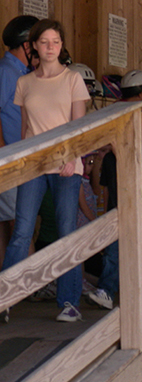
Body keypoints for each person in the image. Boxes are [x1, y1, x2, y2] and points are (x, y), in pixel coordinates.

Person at [1, 19, 90, 322]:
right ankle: (5, 296)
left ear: (61, 46)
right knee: (22, 230)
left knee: (66, 231)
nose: (50, 47)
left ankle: (69, 302)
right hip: (34, 166)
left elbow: (80, 128)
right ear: (33, 46)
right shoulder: (24, 83)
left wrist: (71, 158)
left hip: (67, 166)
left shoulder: (73, 79)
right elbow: (26, 129)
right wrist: (23, 162)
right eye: (44, 42)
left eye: (56, 42)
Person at [87, 69, 142, 310]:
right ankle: (133, 287)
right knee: (127, 236)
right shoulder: (137, 110)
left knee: (135, 235)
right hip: (122, 172)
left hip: (128, 169)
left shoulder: (133, 110)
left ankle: (135, 287)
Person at [0, 15, 39, 266]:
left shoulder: (22, 73)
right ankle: (35, 279)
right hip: (9, 157)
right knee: (21, 220)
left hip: (19, 156)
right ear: (26, 45)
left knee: (9, 220)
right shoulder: (6, 72)